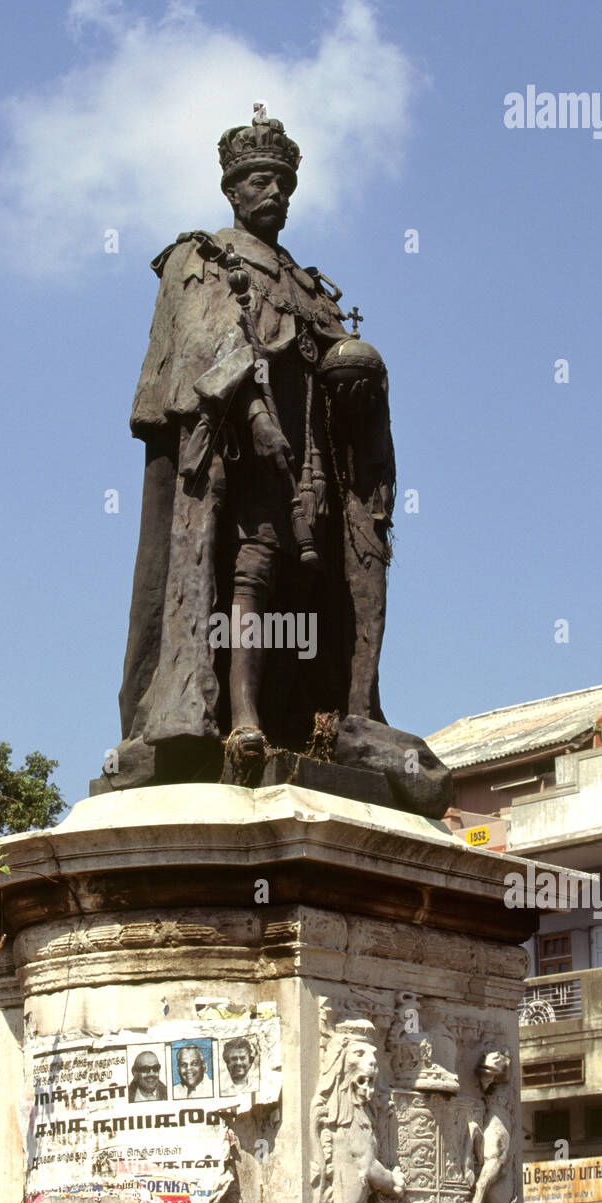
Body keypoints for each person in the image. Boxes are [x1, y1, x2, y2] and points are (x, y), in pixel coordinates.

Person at [113, 106, 396, 789]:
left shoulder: (307, 283)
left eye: (283, 184)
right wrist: (253, 412)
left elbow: (335, 359)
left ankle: (310, 720)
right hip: (239, 451)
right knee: (251, 568)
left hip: (313, 453)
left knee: (312, 579)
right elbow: (202, 346)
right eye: (261, 182)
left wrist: (361, 381)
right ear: (232, 191)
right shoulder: (201, 255)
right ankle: (239, 719)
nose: (274, 194)